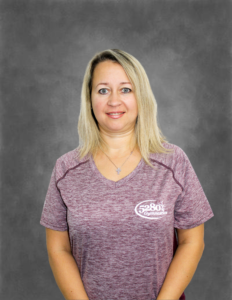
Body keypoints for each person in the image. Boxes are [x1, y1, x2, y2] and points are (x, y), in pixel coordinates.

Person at [40, 49, 214, 300]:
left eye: (125, 89)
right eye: (102, 90)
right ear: (89, 100)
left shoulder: (173, 162)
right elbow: (58, 248)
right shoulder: (66, 169)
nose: (113, 101)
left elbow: (192, 242)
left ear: (141, 97)